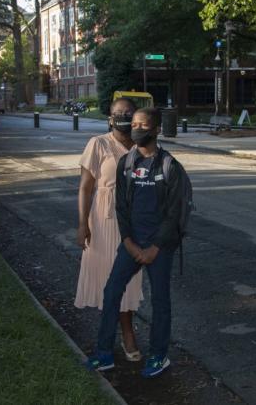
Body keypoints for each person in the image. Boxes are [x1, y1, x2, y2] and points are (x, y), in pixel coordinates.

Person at [86, 107, 184, 379]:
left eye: (143, 124)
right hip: (131, 244)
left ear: (155, 130)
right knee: (111, 292)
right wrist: (128, 241)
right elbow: (122, 207)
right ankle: (104, 354)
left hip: (158, 248)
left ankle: (158, 356)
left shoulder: (170, 166)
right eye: (135, 124)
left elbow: (175, 213)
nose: (136, 128)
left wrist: (154, 247)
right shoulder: (127, 163)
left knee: (160, 301)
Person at [76, 98, 144, 361]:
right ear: (109, 118)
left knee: (128, 280)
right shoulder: (98, 144)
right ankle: (117, 335)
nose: (123, 116)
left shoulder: (143, 146)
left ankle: (125, 332)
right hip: (103, 222)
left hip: (133, 221)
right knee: (108, 280)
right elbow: (85, 187)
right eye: (118, 113)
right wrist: (82, 224)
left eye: (128, 112)